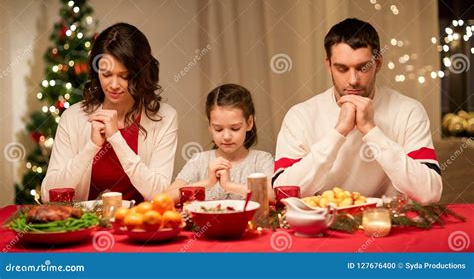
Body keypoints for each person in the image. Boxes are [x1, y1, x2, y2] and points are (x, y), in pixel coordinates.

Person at [272, 18, 442, 204]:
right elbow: (282, 194)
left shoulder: (409, 111)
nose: (353, 80)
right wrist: (338, 133)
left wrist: (371, 130)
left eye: (363, 68)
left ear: (377, 63)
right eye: (342, 68)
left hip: (389, 224)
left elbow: (430, 193)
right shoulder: (300, 116)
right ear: (328, 65)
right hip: (325, 226)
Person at [41, 23, 178, 203]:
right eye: (106, 74)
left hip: (139, 225)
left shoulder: (164, 118)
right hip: (86, 225)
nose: (113, 85)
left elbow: (159, 195)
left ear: (140, 74)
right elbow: (49, 195)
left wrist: (116, 138)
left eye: (125, 76)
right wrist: (91, 147)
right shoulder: (73, 117)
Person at [165, 84, 274, 202]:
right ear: (210, 126)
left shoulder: (262, 159)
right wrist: (208, 182)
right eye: (218, 129)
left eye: (235, 128)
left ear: (249, 123)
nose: (226, 137)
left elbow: (273, 195)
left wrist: (229, 186)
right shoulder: (199, 160)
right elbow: (164, 198)